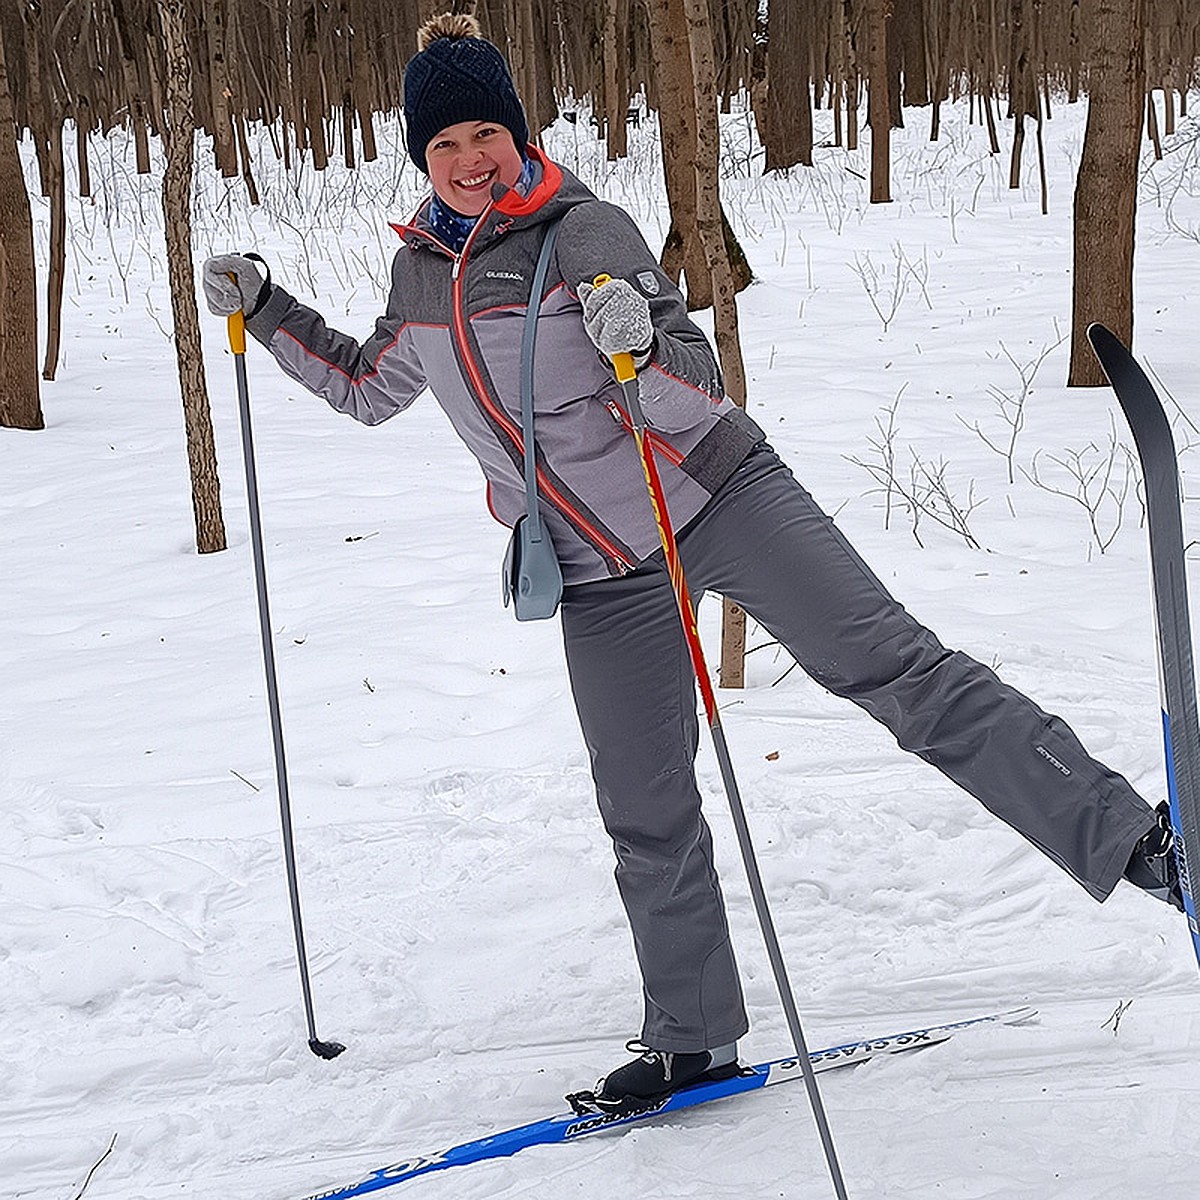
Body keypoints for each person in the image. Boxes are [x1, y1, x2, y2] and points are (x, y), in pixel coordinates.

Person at [203, 13, 1181, 1114]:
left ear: (519, 136)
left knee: (900, 674)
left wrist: (635, 349)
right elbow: (366, 387)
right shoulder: (421, 274)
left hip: (719, 499)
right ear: (421, 159)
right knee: (644, 804)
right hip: (591, 567)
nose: (470, 160)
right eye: (445, 145)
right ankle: (693, 1039)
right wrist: (267, 310)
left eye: (487, 133)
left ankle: (1140, 844)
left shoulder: (585, 230)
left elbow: (696, 387)